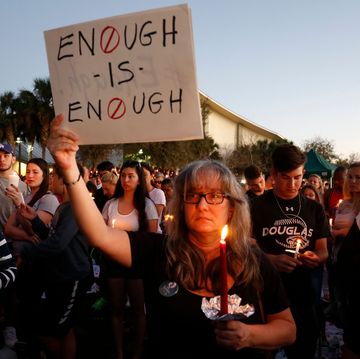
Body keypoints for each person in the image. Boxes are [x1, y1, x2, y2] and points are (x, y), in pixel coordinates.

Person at [46, 114, 296, 359]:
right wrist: (69, 169)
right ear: (181, 206)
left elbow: (287, 329)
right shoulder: (157, 251)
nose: (203, 204)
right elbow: (98, 234)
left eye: (215, 196)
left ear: (232, 206)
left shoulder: (254, 262)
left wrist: (250, 335)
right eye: (192, 195)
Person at [251, 144, 329, 359]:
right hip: (265, 294)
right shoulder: (256, 206)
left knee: (303, 349)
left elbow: (323, 251)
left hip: (303, 294)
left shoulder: (314, 208)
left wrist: (315, 257)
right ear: (274, 174)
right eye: (286, 177)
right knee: (264, 352)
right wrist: (270, 260)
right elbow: (246, 246)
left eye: (298, 177)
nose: (293, 184)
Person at [17, 163, 92, 359]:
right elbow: (52, 236)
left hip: (71, 278)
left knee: (47, 332)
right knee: (66, 330)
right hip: (60, 277)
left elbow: (57, 244)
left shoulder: (74, 209)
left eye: (53, 176)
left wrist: (26, 250)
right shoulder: (63, 206)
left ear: (64, 180)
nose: (50, 180)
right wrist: (35, 220)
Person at [101, 160, 158, 359]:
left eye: (131, 176)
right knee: (115, 307)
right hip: (113, 263)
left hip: (138, 264)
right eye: (123, 175)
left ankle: (136, 351)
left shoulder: (148, 206)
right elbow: (102, 232)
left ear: (139, 179)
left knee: (137, 309)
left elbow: (152, 238)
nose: (126, 180)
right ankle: (119, 352)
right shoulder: (111, 204)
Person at [332, 162, 360, 359]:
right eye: (350, 177)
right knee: (342, 306)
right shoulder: (344, 203)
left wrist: (343, 232)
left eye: (358, 177)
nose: (353, 181)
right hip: (339, 260)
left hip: (357, 267)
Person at [0, 144, 29, 233]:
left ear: (13, 159)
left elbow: (27, 214)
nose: (1, 159)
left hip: (13, 238)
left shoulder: (24, 187)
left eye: (6, 156)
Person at [142, 163, 166, 233]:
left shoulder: (158, 193)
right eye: (139, 175)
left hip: (153, 233)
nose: (142, 177)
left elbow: (154, 217)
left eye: (145, 175)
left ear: (151, 175)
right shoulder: (133, 193)